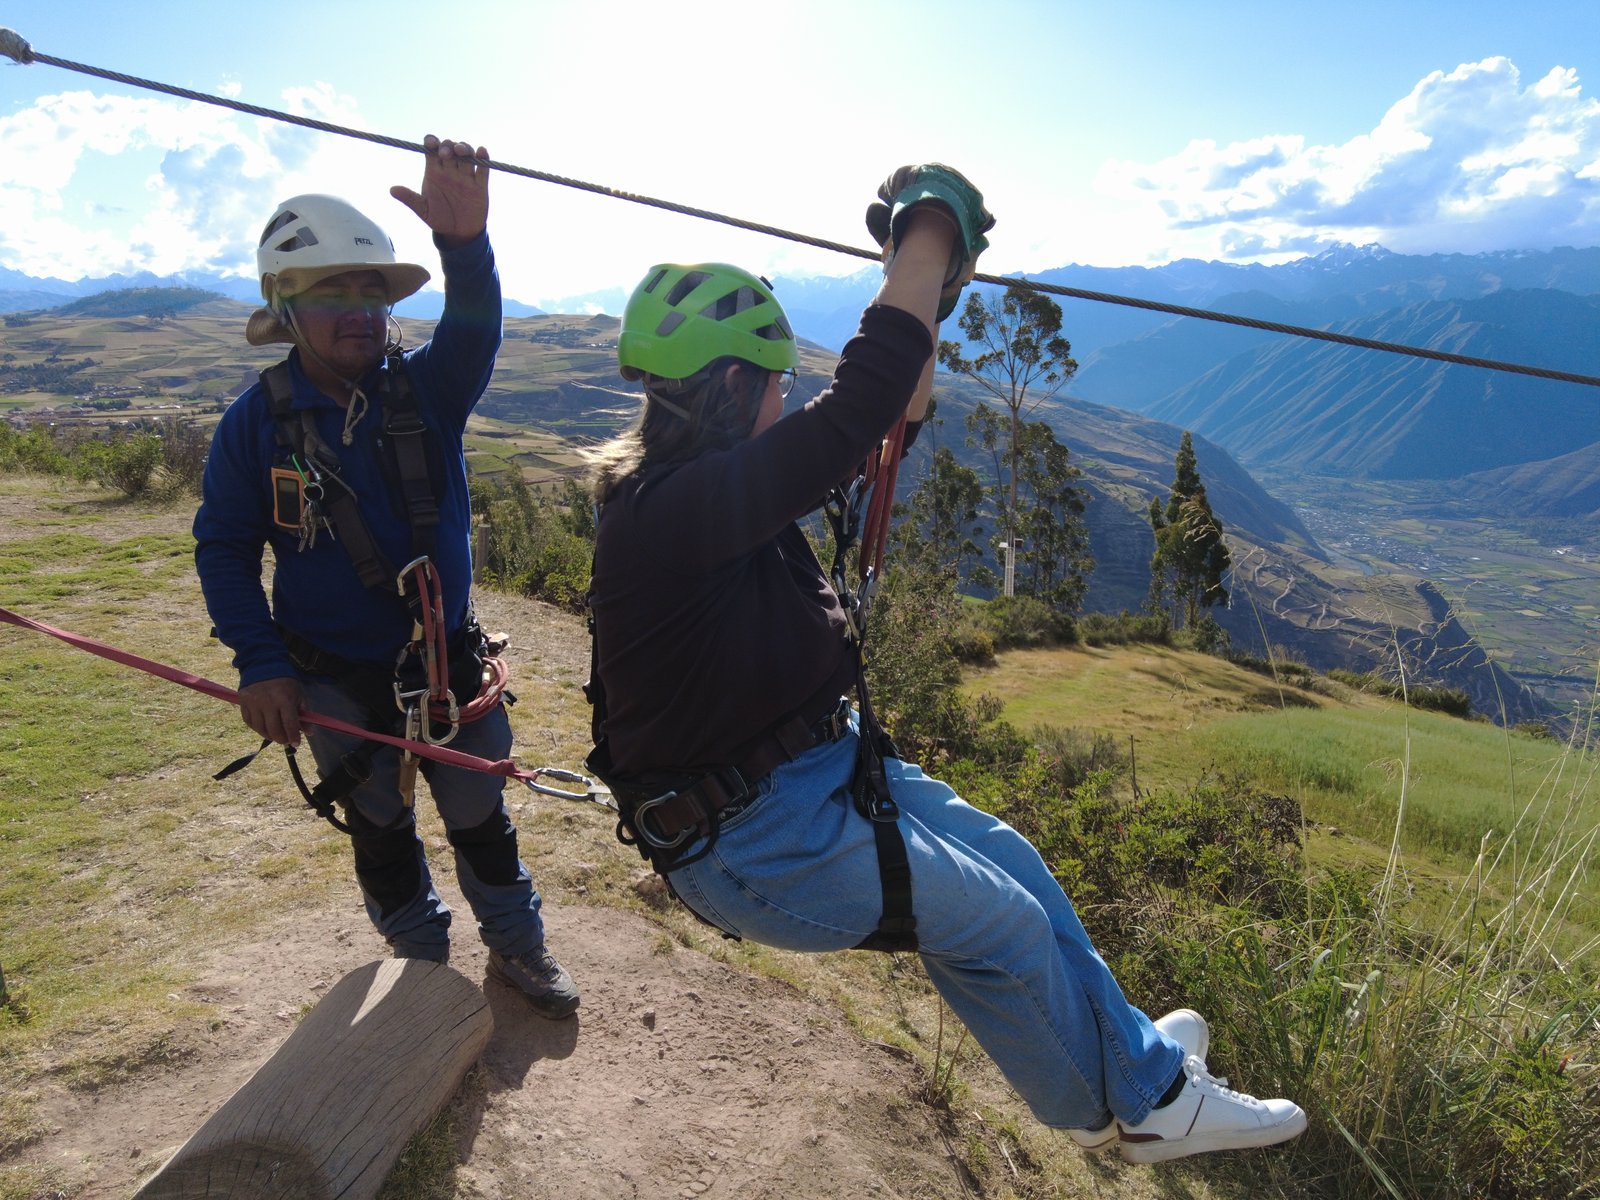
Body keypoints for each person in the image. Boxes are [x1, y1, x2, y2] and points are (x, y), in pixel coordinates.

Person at [583, 165, 1306, 1159]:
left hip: (811, 775)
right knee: (998, 923)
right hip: (752, 839)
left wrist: (925, 290)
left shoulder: (695, 492)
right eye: (776, 382)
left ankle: (1140, 1067)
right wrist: (926, 232)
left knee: (1014, 860)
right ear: (736, 385)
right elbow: (857, 405)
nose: (788, 397)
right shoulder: (675, 513)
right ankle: (1124, 1115)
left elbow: (888, 417)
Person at [193, 136, 579, 1019]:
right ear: (284, 307)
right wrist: (261, 663)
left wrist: (464, 245)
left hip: (450, 668)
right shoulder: (252, 428)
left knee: (482, 818)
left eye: (372, 291)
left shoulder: (430, 391)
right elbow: (223, 546)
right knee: (379, 828)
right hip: (332, 675)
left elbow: (476, 324)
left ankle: (519, 948)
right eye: (333, 293)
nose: (361, 310)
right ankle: (419, 965)